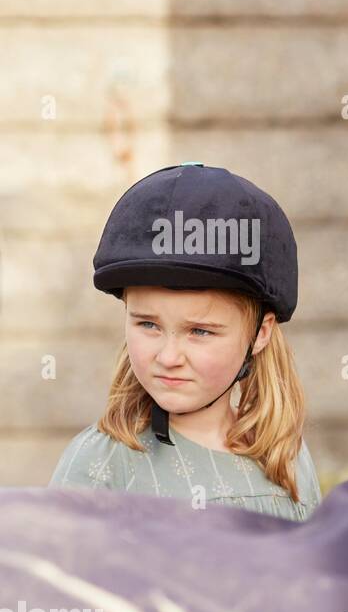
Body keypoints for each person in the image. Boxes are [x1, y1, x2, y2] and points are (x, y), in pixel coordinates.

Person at [48, 162, 322, 520]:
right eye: (148, 324)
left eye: (200, 331)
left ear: (261, 333)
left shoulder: (285, 454)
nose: (169, 355)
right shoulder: (101, 463)